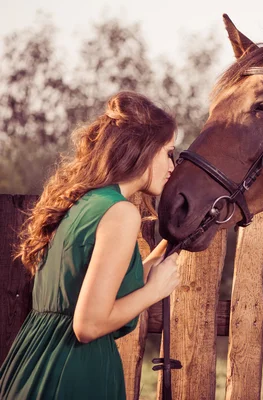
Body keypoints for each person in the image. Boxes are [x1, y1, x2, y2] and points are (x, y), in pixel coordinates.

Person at [0, 91, 181, 399]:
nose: (172, 167)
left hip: (32, 362)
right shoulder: (121, 212)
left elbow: (91, 282)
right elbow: (89, 324)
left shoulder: (80, 203)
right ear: (144, 150)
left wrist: (168, 246)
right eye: (168, 153)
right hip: (76, 371)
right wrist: (154, 292)